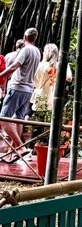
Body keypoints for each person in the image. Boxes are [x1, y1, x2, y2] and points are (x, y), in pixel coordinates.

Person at [0, 28, 41, 159]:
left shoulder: (26, 50)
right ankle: (13, 152)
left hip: (17, 87)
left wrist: (0, 76)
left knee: (3, 118)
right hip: (28, 89)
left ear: (24, 37)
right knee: (19, 119)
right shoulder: (37, 52)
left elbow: (14, 66)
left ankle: (21, 148)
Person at [31, 43, 71, 116]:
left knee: (38, 119)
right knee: (51, 121)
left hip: (41, 95)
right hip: (55, 96)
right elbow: (69, 78)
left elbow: (34, 81)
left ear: (46, 53)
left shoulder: (40, 65)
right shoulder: (61, 65)